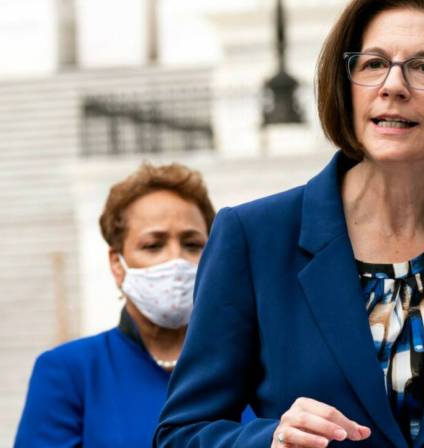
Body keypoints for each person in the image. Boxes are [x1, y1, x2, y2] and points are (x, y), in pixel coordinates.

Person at [154, 0, 424, 447]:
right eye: (373, 64)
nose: (393, 86)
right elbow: (180, 434)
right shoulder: (253, 238)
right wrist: (267, 441)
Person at [15, 163, 252, 447]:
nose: (176, 260)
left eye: (192, 244)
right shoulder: (69, 372)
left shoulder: (254, 364)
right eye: (153, 245)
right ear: (117, 264)